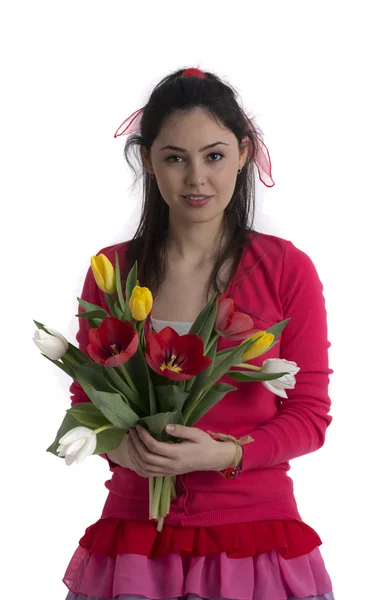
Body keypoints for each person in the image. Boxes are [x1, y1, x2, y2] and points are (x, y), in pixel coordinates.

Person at [63, 67, 335, 600]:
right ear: (148, 160)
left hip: (254, 541)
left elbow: (310, 413)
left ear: (243, 152)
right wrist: (123, 449)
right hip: (135, 544)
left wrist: (227, 454)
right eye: (174, 158)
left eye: (213, 155)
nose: (196, 179)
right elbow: (86, 402)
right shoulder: (113, 273)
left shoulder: (285, 268)